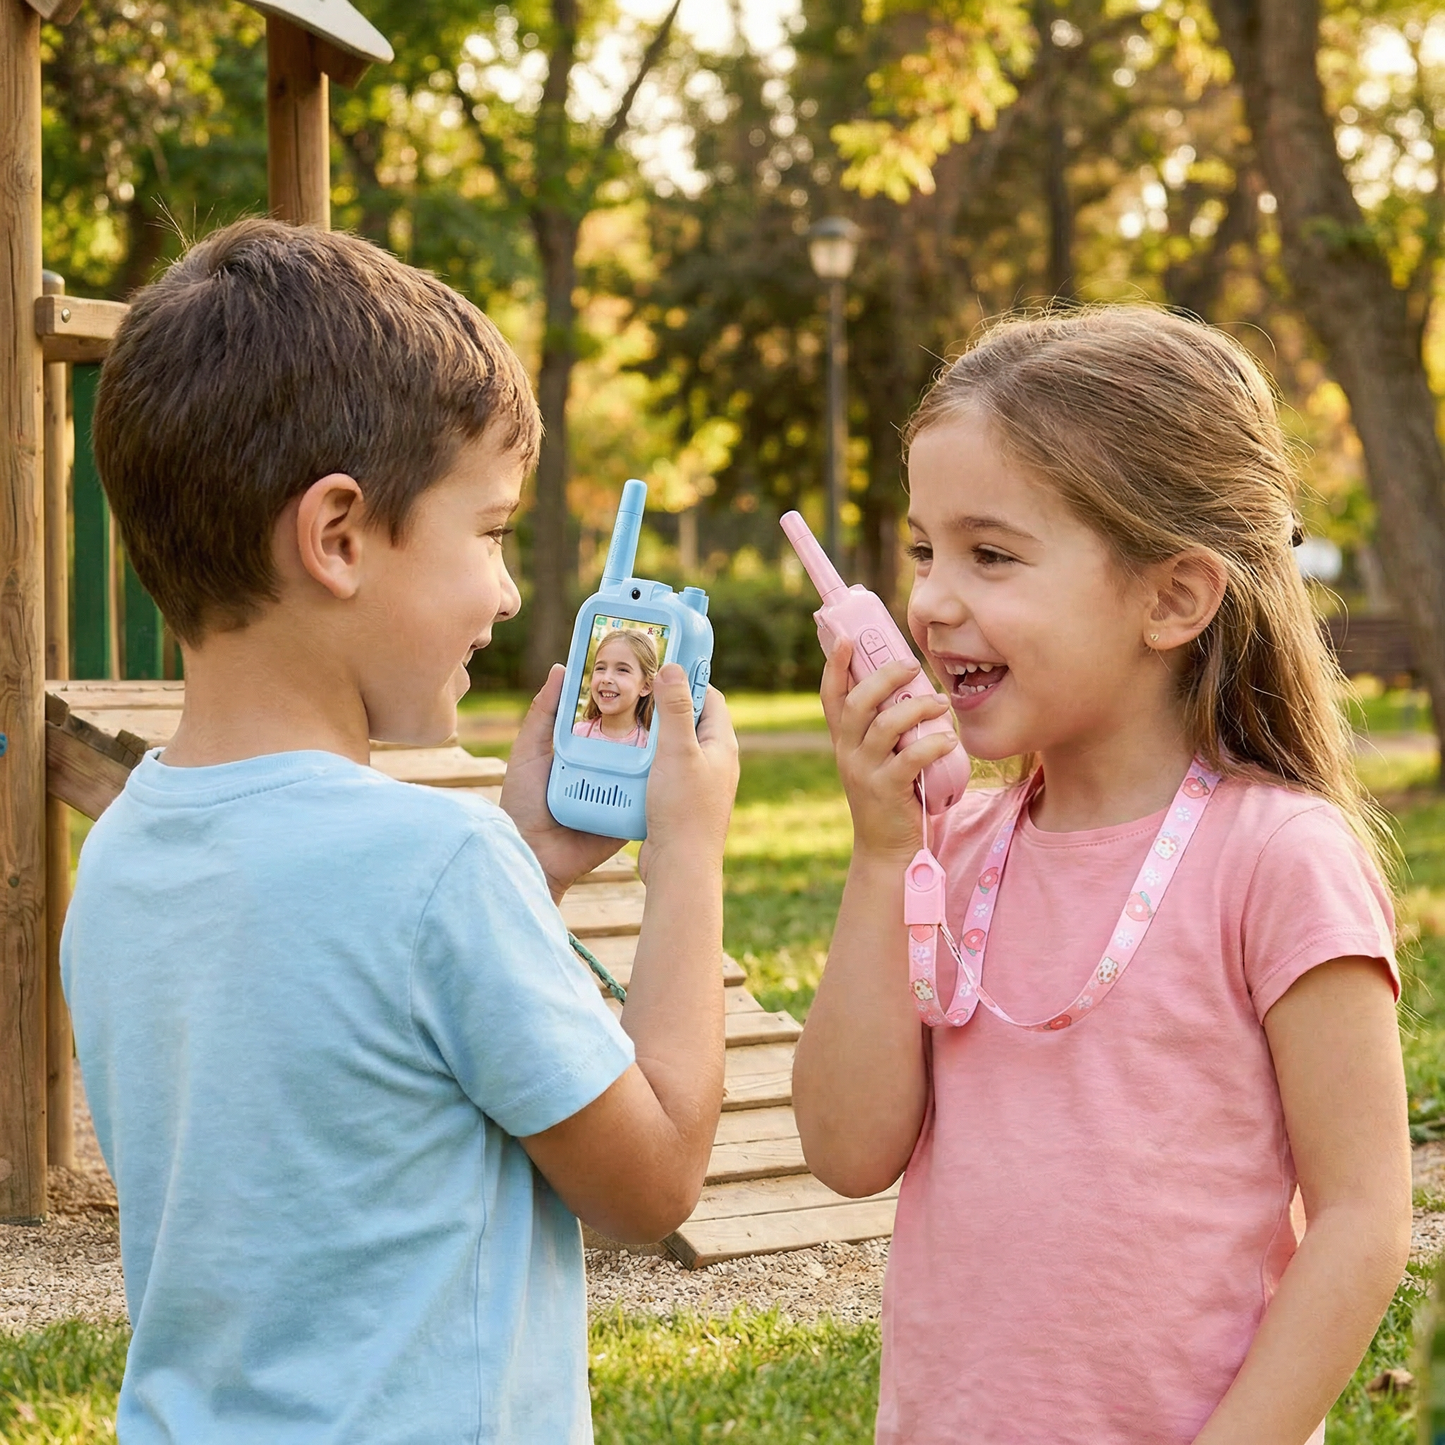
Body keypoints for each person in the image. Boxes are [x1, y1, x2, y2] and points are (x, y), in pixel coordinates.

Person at [61, 219, 738, 1445]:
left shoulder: (119, 850)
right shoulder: (438, 870)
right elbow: (653, 1178)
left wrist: (526, 859)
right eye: (485, 532)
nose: (510, 589)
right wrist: (687, 853)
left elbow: (338, 1034)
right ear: (337, 537)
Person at [792, 308, 1410, 1445]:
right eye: (924, 549)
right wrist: (884, 852)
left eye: (990, 552)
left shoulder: (1276, 859)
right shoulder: (952, 852)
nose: (927, 599)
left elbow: (1363, 1219)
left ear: (1170, 597)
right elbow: (844, 1149)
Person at [573, 628, 659, 746]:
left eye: (622, 670)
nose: (606, 679)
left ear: (646, 686)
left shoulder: (649, 745)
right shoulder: (578, 733)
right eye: (600, 668)